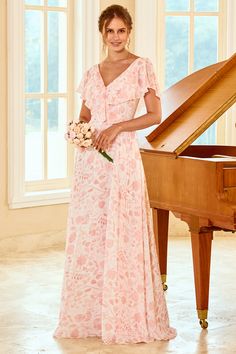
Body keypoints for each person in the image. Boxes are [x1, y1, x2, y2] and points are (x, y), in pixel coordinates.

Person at [53, 4, 176, 345]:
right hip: (91, 165)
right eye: (111, 31)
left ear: (129, 32)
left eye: (122, 30)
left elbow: (154, 114)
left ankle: (125, 313)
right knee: (92, 232)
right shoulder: (92, 73)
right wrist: (78, 134)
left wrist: (120, 126)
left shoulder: (141, 68)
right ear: (102, 34)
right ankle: (93, 316)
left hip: (121, 159)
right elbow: (84, 115)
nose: (116, 37)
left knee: (122, 231)